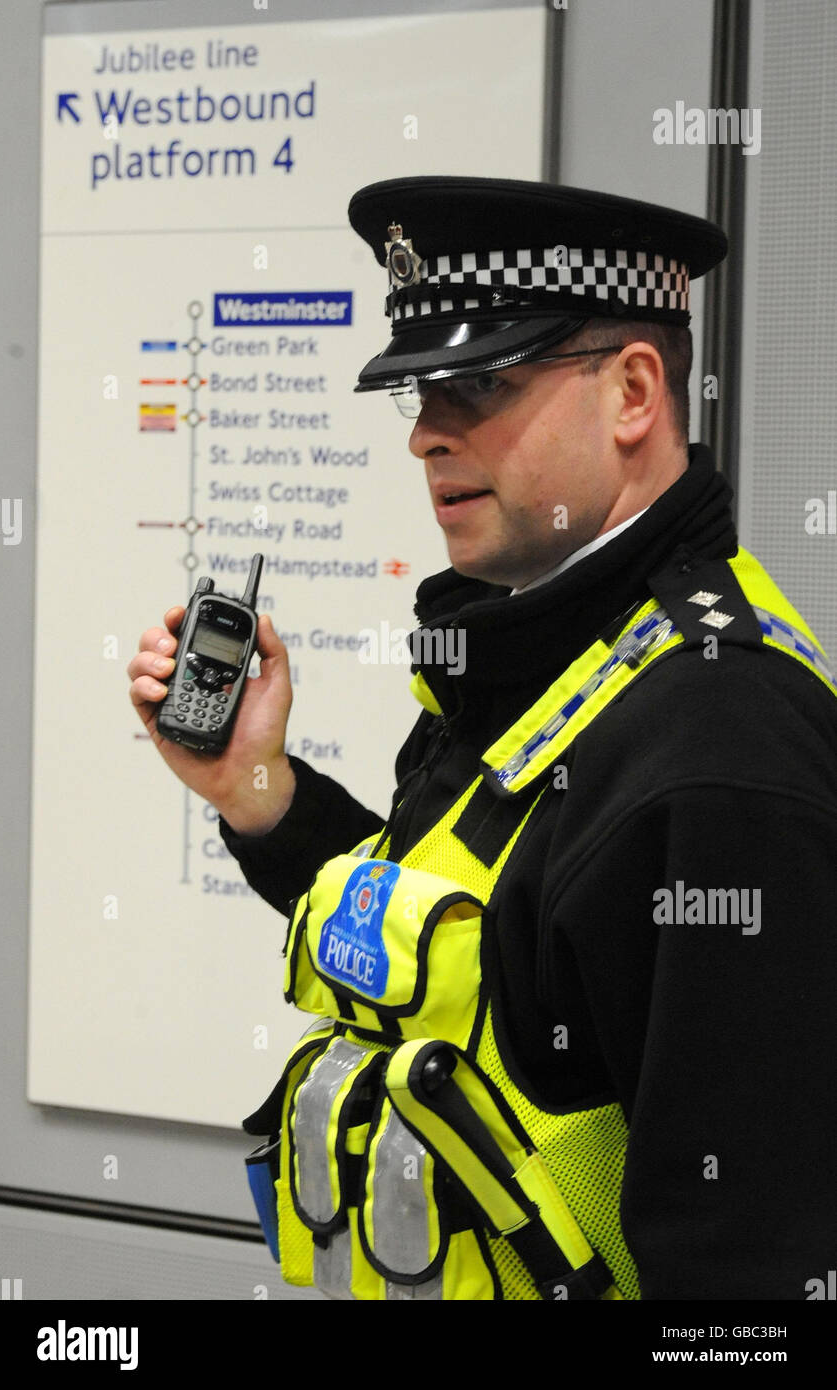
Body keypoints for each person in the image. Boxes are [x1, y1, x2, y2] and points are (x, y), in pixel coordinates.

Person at [128, 177, 837, 1301]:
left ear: (633, 392)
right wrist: (253, 783)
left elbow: (748, 1274)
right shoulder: (547, 647)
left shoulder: (719, 748)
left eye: (476, 384)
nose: (422, 434)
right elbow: (454, 955)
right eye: (416, 391)